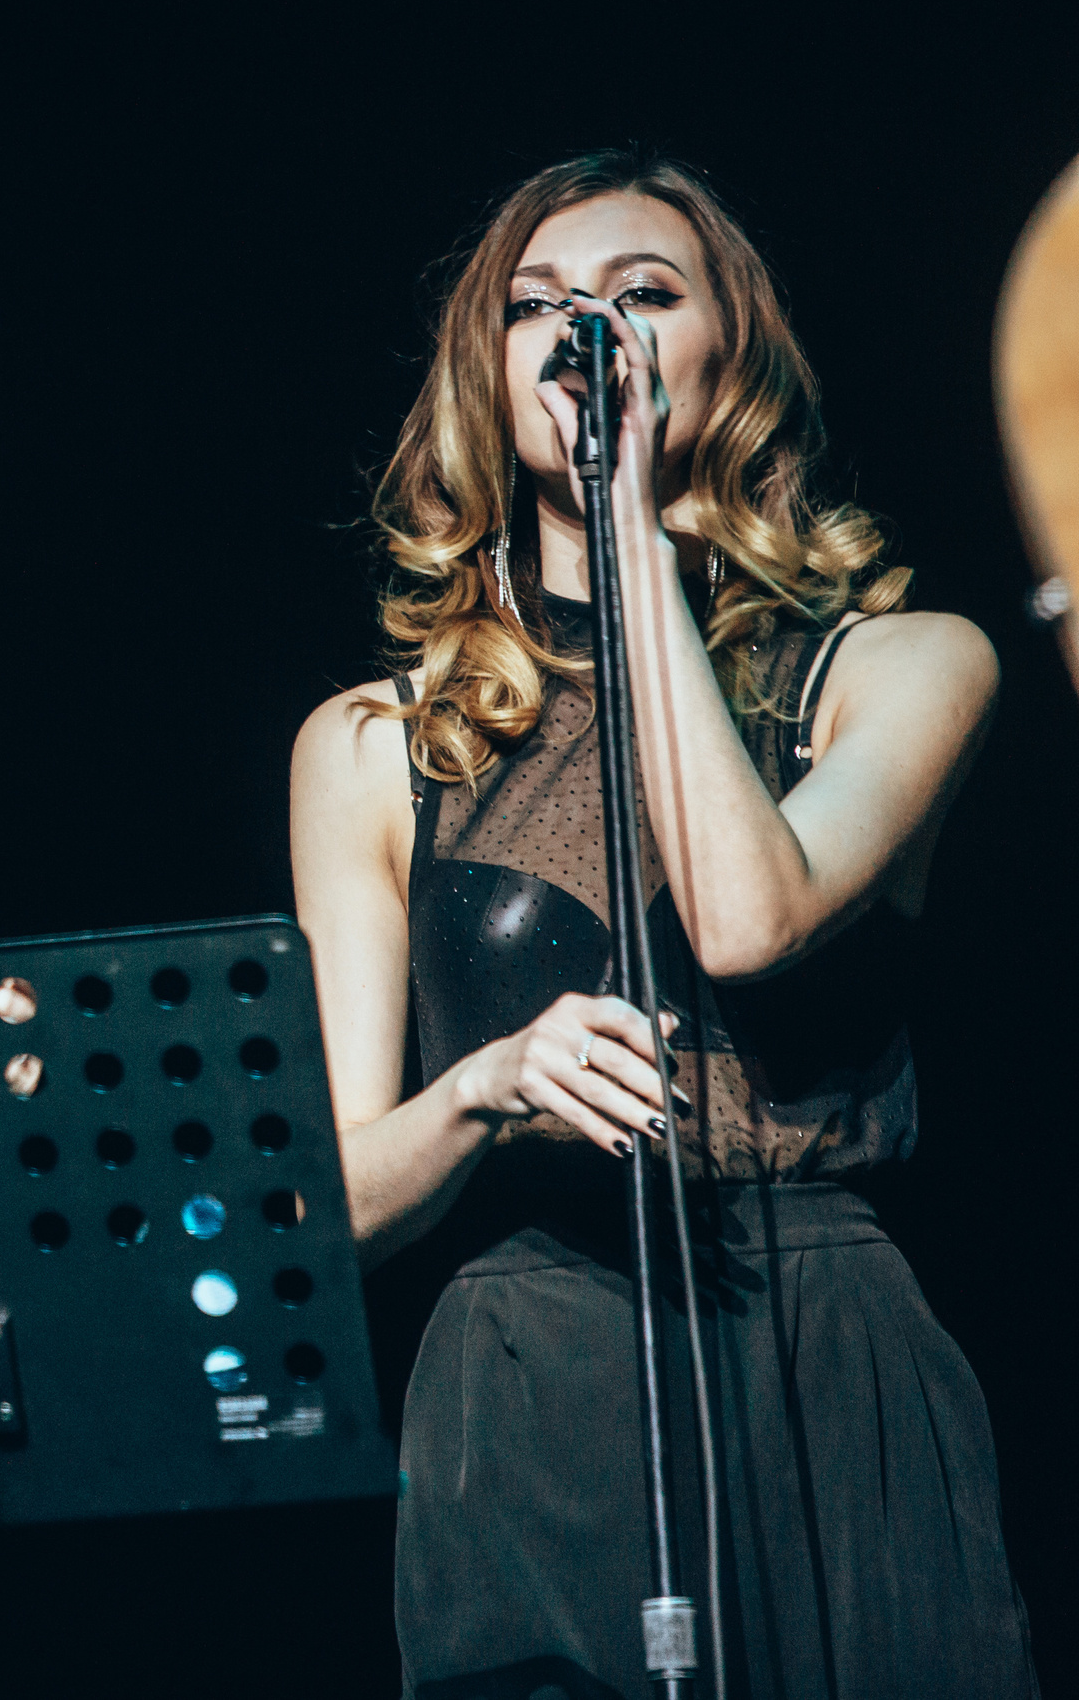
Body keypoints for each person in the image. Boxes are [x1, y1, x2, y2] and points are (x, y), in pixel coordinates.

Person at [290, 153, 1038, 1697]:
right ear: (487, 374)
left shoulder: (902, 663)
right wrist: (482, 1089)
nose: (589, 335)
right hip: (528, 1377)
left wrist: (631, 530)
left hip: (823, 1349)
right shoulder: (374, 741)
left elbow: (750, 916)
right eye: (542, 308)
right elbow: (328, 1200)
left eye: (642, 297)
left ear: (729, 357)